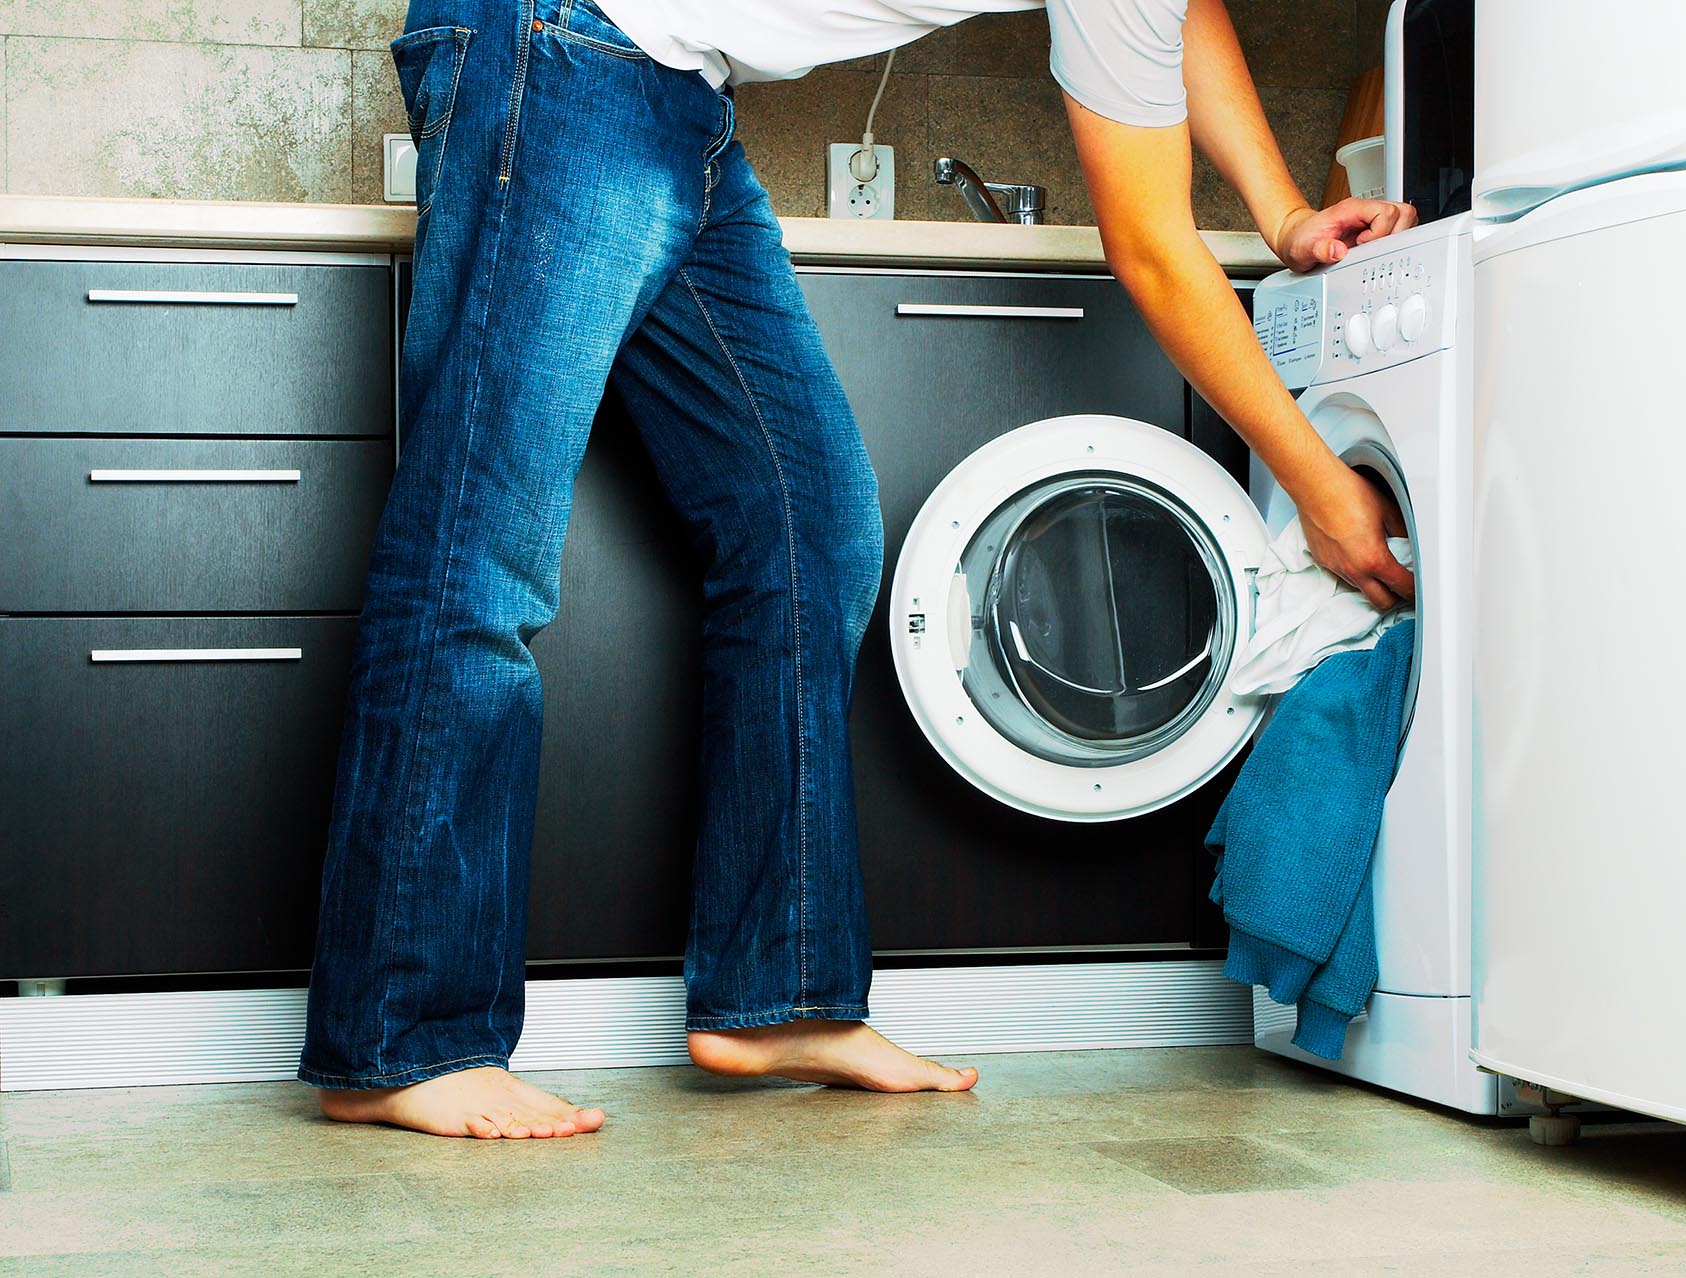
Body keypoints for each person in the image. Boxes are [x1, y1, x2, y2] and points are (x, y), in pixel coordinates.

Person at [300, 0, 1419, 1141]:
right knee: (476, 551)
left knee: (806, 524)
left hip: (674, 96)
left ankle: (778, 994)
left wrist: (1284, 218)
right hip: (563, 48)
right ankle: (401, 1038)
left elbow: (1185, 13)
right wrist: (1325, 489)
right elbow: (1147, 244)